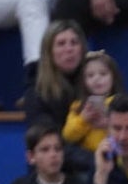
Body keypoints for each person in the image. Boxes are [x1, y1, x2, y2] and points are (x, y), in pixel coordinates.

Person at [22, 20, 90, 154]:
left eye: (74, 43)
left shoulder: (96, 83)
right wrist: (93, 161)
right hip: (61, 166)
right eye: (61, 44)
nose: (69, 49)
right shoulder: (37, 92)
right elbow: (49, 145)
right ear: (49, 52)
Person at [62, 50, 124, 159]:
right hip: (88, 160)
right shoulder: (78, 106)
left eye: (103, 74)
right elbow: (68, 135)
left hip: (117, 157)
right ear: (83, 81)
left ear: (113, 77)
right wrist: (83, 119)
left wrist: (108, 124)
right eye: (90, 76)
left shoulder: (122, 101)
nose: (97, 79)